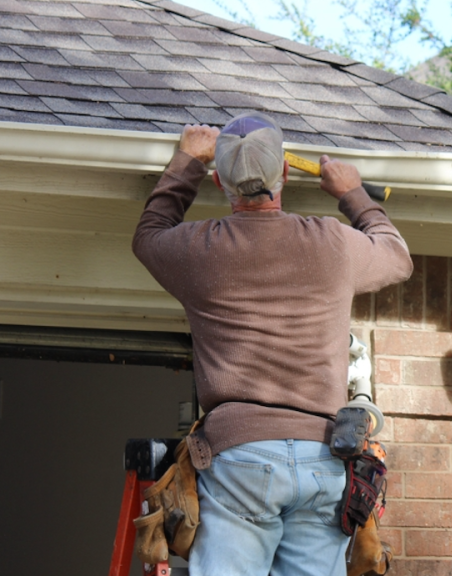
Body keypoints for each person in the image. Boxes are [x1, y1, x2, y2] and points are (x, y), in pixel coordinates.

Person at [132, 112, 413, 576]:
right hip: (323, 457)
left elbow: (148, 236)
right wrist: (351, 192)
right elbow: (396, 257)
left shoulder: (198, 249)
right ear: (284, 172)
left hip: (241, 456)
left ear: (219, 178)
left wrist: (186, 163)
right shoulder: (332, 243)